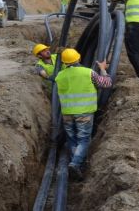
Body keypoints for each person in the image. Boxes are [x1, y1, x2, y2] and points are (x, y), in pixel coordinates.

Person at [55, 48, 112, 181]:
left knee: (72, 139)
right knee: (84, 139)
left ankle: (76, 164)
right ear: (78, 59)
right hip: (84, 113)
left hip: (67, 113)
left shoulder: (60, 76)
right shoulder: (88, 73)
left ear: (64, 62)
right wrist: (103, 69)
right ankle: (75, 164)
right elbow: (107, 83)